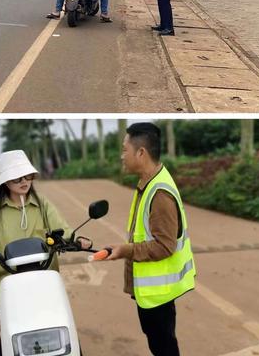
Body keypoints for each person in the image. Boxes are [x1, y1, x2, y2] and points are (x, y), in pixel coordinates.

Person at [0, 150, 92, 356]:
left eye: (27, 175)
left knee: (62, 329)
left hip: (45, 281)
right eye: (17, 177)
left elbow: (62, 228)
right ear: (5, 181)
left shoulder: (42, 203)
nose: (24, 181)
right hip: (9, 286)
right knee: (8, 338)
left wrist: (76, 239)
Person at [104, 123, 196, 356]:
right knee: (160, 345)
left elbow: (165, 245)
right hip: (153, 293)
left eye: (125, 149)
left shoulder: (160, 192)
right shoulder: (150, 183)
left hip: (158, 295)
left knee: (164, 347)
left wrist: (125, 250)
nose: (121, 155)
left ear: (141, 153)